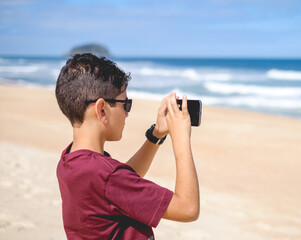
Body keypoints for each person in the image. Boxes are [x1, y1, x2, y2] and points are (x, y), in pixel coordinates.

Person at [55, 53, 200, 240]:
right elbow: (188, 208)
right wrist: (181, 138)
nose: (126, 114)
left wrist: (156, 135)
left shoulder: (70, 160)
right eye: (125, 105)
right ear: (101, 110)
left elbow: (121, 185)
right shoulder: (106, 175)